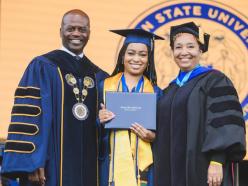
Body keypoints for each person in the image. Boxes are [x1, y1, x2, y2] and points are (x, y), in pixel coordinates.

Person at [1, 9, 108, 186]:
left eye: (82, 29)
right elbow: (28, 118)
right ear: (60, 31)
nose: (76, 33)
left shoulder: (99, 76)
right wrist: (34, 162)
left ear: (89, 33)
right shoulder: (42, 66)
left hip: (90, 167)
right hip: (50, 166)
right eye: (70, 28)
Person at [153, 22, 246, 186]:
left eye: (190, 46)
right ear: (172, 52)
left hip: (204, 169)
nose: (184, 52)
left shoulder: (215, 80)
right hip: (171, 172)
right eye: (178, 47)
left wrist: (217, 161)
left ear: (200, 50)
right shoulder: (170, 90)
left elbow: (224, 124)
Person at [98, 29, 163, 186]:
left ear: (149, 60)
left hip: (143, 170)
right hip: (110, 165)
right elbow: (89, 133)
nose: (136, 59)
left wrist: (153, 137)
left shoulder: (156, 93)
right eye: (131, 53)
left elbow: (165, 133)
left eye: (142, 54)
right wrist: (98, 120)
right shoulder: (104, 86)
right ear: (122, 56)